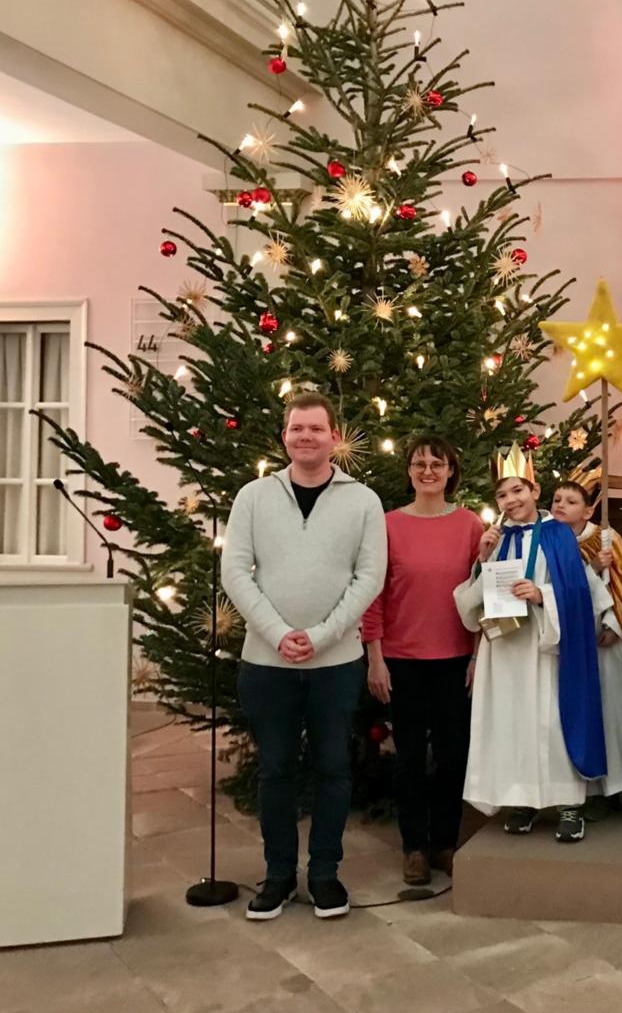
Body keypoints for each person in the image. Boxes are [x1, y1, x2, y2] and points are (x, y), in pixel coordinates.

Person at [221, 392, 388, 921]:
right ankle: (277, 875)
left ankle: (324, 875)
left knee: (334, 768)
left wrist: (322, 635)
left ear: (334, 437)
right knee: (275, 772)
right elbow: (235, 571)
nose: (306, 437)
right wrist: (276, 632)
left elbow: (370, 577)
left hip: (335, 663)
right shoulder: (252, 496)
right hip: (266, 663)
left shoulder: (363, 500)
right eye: (297, 429)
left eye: (317, 428)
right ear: (285, 437)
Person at [457, 443, 616, 844]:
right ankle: (522, 798)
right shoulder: (494, 537)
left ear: (535, 490)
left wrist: (544, 594)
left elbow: (584, 594)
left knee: (549, 722)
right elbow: (472, 596)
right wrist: (482, 558)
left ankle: (567, 804)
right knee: (512, 720)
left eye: (518, 490)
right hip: (505, 648)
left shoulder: (559, 536)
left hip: (546, 648)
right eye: (502, 494)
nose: (511, 501)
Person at [360, 436, 483, 888]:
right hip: (402, 659)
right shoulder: (388, 525)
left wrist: (477, 655)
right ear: (409, 471)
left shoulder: (471, 525)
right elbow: (372, 596)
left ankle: (445, 844)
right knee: (409, 758)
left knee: (453, 757)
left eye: (437, 463)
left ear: (452, 471)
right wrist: (375, 658)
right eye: (419, 463)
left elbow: (482, 594)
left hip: (455, 660)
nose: (428, 470)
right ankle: (413, 847)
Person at [549, 467, 622, 809]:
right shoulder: (549, 542)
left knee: (613, 711)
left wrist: (615, 624)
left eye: (571, 500)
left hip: (605, 644)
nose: (561, 505)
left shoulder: (606, 540)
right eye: (557, 499)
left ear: (588, 511)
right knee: (582, 714)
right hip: (571, 643)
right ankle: (589, 791)